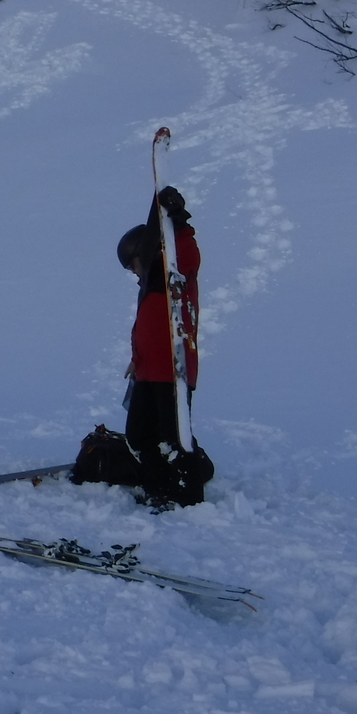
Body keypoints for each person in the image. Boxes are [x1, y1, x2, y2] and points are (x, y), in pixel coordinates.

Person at [117, 187, 211, 507]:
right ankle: (158, 486)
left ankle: (186, 492)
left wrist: (179, 223)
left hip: (174, 370)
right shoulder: (149, 288)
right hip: (147, 371)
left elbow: (187, 253)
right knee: (140, 436)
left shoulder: (175, 277)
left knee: (174, 438)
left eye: (132, 265)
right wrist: (135, 359)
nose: (133, 273)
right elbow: (145, 330)